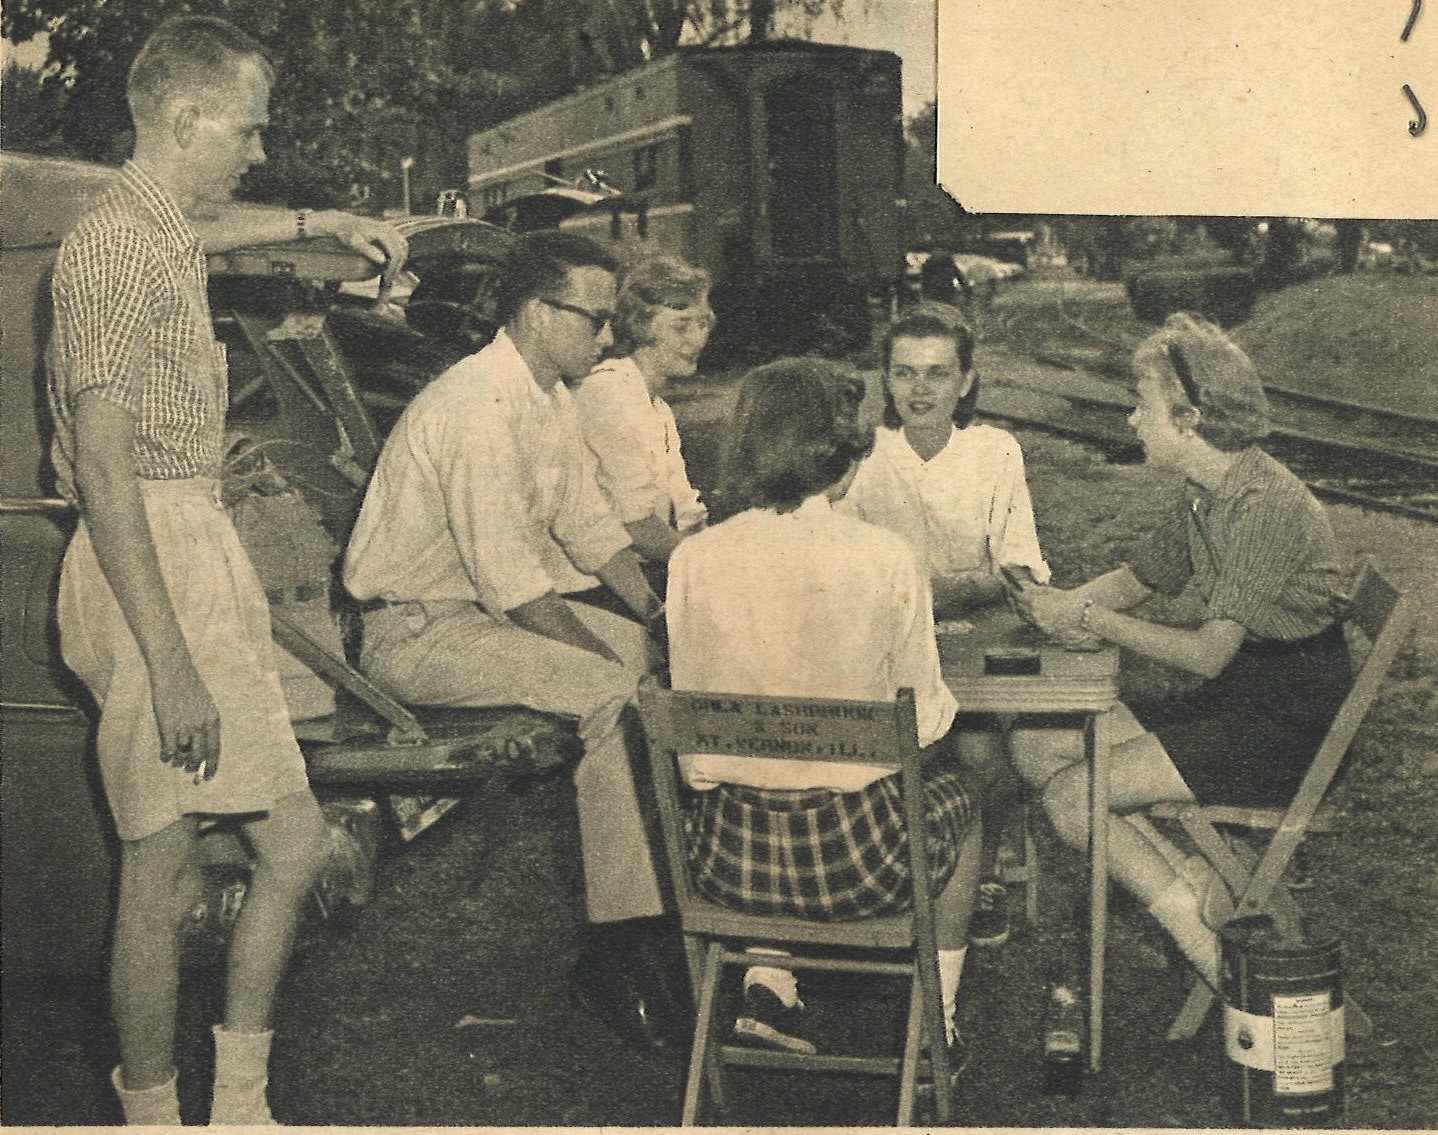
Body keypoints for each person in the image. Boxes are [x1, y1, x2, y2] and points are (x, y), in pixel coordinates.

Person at [45, 15, 409, 1126]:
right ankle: (157, 1109)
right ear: (187, 119)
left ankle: (233, 1106)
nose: (257, 149)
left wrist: (320, 222)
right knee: (165, 869)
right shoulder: (112, 247)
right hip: (149, 554)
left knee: (285, 844)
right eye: (247, 129)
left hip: (183, 542)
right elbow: (104, 466)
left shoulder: (156, 232)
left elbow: (221, 236)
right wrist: (173, 665)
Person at [342, 230, 688, 1053]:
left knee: (665, 668)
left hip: (475, 618)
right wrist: (614, 661)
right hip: (415, 632)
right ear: (538, 312)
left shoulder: (547, 394)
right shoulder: (475, 404)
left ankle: (672, 900)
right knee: (615, 693)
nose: (609, 338)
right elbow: (516, 584)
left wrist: (654, 622)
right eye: (596, 320)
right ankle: (617, 944)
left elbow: (588, 525)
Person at [1010, 312, 1349, 988]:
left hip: (1284, 724)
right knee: (1035, 739)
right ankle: (1196, 874)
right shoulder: (1207, 490)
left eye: (1142, 406)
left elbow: (1205, 654)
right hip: (1244, 698)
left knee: (1073, 798)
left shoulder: (1264, 505)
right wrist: (1065, 605)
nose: (1133, 420)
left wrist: (1091, 620)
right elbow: (1140, 578)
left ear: (1189, 418)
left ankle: (1204, 942)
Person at [667, 358, 982, 1065]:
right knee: (965, 800)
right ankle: (940, 1017)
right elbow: (926, 725)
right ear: (841, 457)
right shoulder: (886, 557)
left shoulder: (693, 558)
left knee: (764, 781)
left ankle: (767, 982)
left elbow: (695, 747)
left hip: (729, 861)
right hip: (861, 865)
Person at [840, 300, 1049, 949]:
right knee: (893, 747)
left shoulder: (993, 451)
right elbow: (840, 563)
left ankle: (980, 873)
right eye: (904, 373)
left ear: (965, 381)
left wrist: (942, 591)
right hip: (886, 650)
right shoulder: (863, 455)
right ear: (886, 380)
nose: (920, 389)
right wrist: (954, 585)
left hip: (972, 644)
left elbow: (1018, 567)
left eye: (937, 373)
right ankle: (897, 873)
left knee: (982, 749)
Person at [573, 254, 713, 575]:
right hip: (598, 581)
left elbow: (687, 510)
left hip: (646, 567)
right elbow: (637, 526)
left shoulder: (656, 407)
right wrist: (714, 568)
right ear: (640, 325)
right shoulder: (609, 392)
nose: (697, 339)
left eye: (702, 323)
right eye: (681, 326)